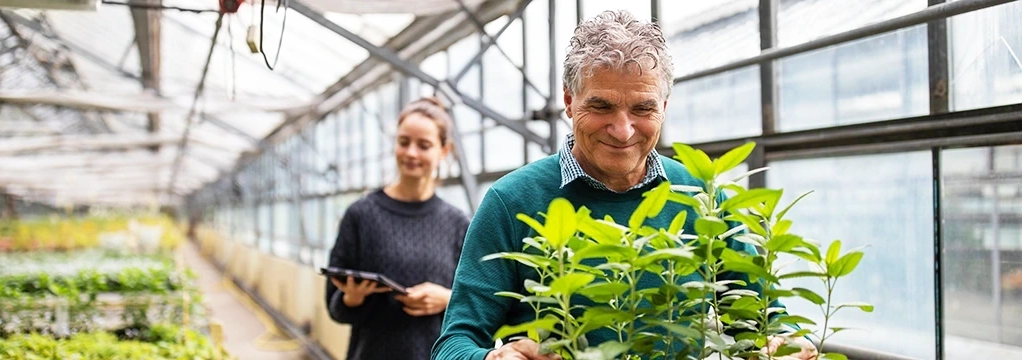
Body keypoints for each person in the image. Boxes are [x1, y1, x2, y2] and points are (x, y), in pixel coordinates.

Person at [432, 10, 817, 360]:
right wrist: (492, 359)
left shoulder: (703, 195)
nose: (622, 130)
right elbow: (453, 345)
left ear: (664, 108)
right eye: (601, 107)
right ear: (569, 102)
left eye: (643, 108)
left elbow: (763, 324)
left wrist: (785, 344)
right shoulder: (511, 201)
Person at [325, 97, 471, 360]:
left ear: (444, 151)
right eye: (404, 142)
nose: (411, 153)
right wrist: (353, 298)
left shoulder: (458, 223)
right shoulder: (361, 214)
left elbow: (480, 303)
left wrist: (447, 299)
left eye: (423, 145)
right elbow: (335, 307)